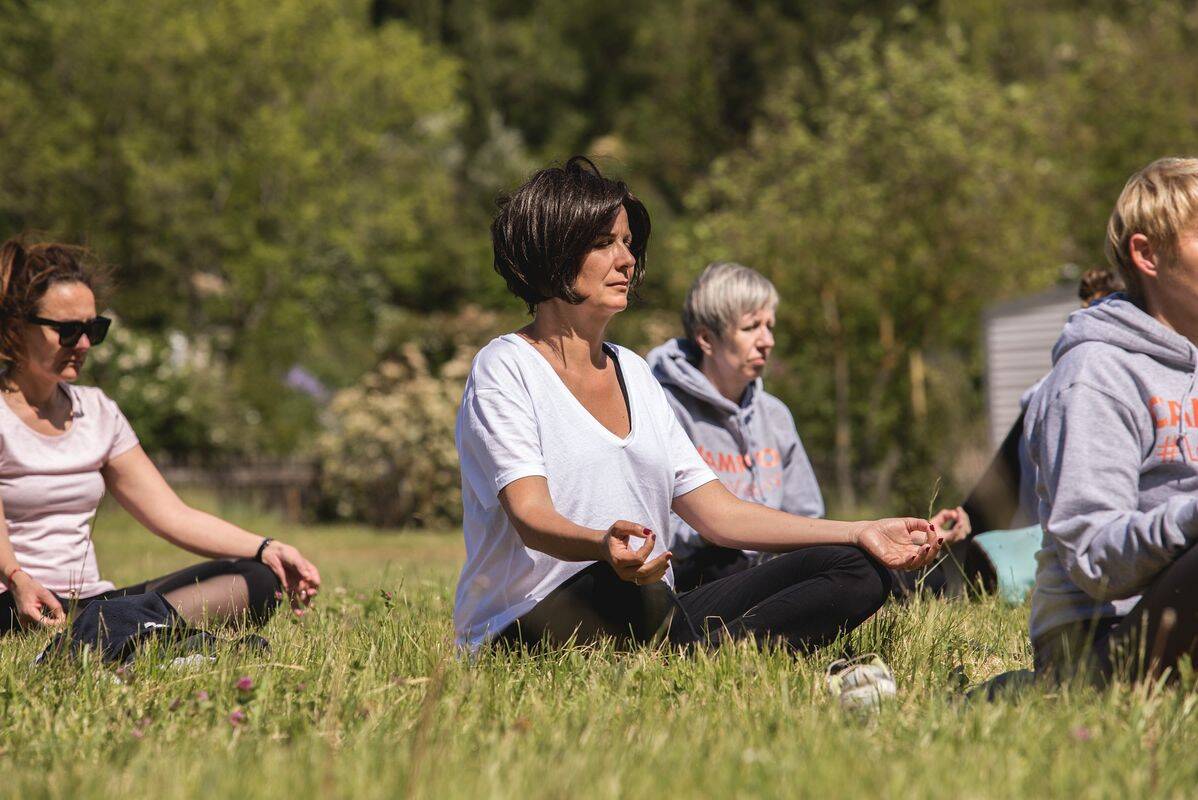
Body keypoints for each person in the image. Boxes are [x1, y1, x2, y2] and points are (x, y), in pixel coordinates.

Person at [453, 157, 943, 653]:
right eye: (603, 243)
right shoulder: (506, 367)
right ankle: (698, 654)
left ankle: (701, 657)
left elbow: (719, 515)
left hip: (649, 608)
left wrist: (860, 531)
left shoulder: (635, 372)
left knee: (855, 568)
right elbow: (531, 515)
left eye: (627, 242)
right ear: (553, 253)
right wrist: (601, 545)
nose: (626, 259)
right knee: (620, 587)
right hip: (529, 623)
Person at [0, 238, 321, 635]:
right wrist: (16, 577)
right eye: (67, 331)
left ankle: (115, 628)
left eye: (93, 329)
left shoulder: (97, 411)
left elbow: (172, 515)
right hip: (16, 599)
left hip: (92, 601)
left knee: (257, 578)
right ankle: (132, 631)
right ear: (16, 327)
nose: (83, 344)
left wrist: (267, 548)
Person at [650, 262, 967, 593]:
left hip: (772, 565)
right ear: (706, 338)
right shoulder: (664, 408)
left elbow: (808, 517)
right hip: (703, 570)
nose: (767, 341)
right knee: (727, 561)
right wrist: (728, 530)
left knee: (882, 568)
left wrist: (903, 539)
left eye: (769, 326)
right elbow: (657, 523)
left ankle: (926, 563)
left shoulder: (775, 415)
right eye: (751, 327)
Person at [1025, 157, 1198, 683]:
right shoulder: (1094, 375)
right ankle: (1023, 693)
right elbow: (1094, 559)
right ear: (1147, 254)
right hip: (1100, 637)